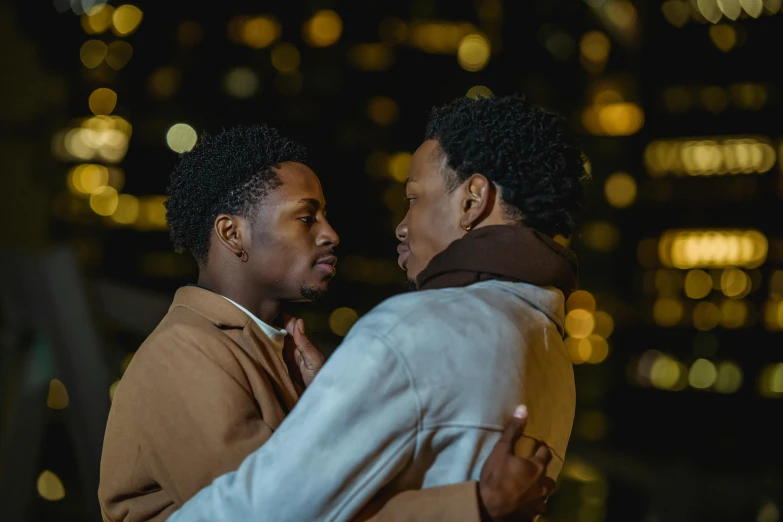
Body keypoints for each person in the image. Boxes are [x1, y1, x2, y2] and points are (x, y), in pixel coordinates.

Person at [98, 123, 555, 522]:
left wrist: (321, 397)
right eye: (305, 217)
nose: (330, 233)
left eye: (326, 215)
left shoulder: (272, 349)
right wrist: (477, 506)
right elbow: (272, 516)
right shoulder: (184, 353)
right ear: (232, 233)